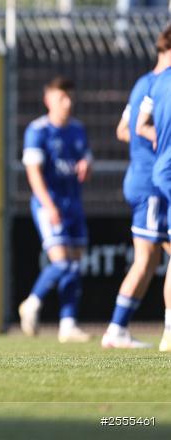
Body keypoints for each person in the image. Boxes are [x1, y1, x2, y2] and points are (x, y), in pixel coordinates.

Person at [102, 29, 171, 349]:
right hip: (151, 183)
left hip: (144, 177)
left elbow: (122, 130)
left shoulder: (144, 83)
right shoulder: (160, 84)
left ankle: (119, 328)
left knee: (149, 257)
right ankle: (118, 329)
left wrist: (153, 135)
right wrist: (160, 141)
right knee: (146, 259)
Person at [17, 77, 93, 344]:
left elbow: (85, 158)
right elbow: (33, 173)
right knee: (62, 262)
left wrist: (85, 165)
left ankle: (68, 325)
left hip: (74, 205)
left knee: (74, 266)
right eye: (62, 98)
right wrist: (49, 206)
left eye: (70, 97)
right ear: (48, 100)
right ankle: (32, 303)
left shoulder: (78, 130)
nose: (68, 103)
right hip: (49, 205)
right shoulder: (38, 131)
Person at [134, 36, 171, 352]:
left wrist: (158, 137)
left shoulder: (156, 83)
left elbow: (137, 125)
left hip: (163, 171)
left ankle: (170, 331)